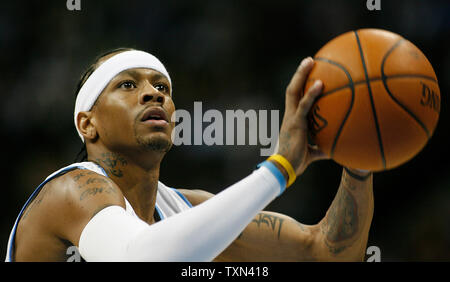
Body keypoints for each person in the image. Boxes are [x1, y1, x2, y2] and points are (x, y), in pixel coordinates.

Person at [5, 48, 373, 262]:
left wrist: (360, 162)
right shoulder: (69, 191)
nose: (154, 94)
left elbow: (325, 251)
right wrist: (278, 169)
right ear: (88, 124)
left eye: (162, 86)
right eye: (128, 85)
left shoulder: (189, 211)